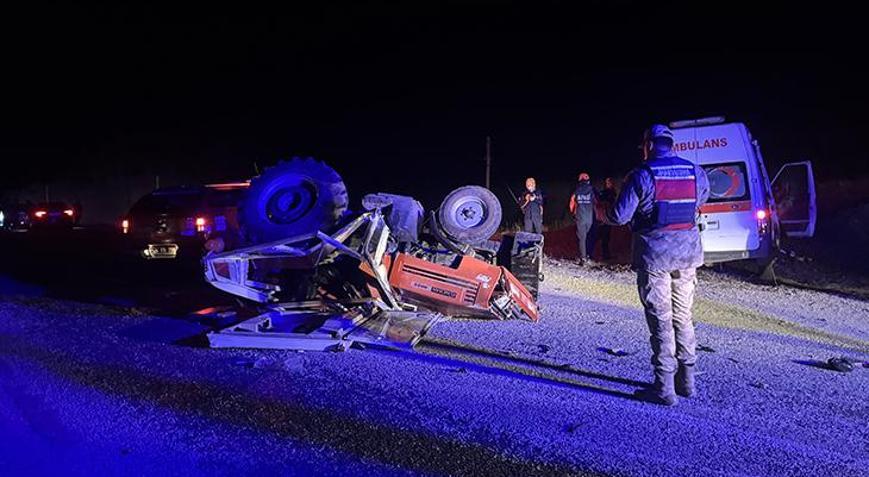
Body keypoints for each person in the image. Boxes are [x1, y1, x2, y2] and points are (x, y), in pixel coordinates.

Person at [599, 124, 710, 406]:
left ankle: (664, 388)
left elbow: (620, 216)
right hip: (687, 257)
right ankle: (688, 382)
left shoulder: (641, 174)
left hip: (655, 258)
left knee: (661, 321)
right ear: (671, 144)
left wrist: (603, 212)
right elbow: (702, 200)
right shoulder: (695, 172)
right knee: (683, 316)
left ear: (648, 145)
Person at [568, 172, 595, 264]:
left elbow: (571, 202)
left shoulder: (577, 190)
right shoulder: (592, 190)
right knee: (589, 237)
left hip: (580, 217)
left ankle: (583, 258)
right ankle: (589, 255)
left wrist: (572, 212)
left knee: (582, 238)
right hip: (590, 218)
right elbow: (597, 202)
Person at [596, 177, 617, 260]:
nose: (609, 184)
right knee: (603, 236)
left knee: (606, 237)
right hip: (604, 217)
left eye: (610, 182)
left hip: (607, 217)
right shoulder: (605, 193)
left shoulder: (611, 192)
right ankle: (603, 255)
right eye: (607, 182)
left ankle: (605, 254)